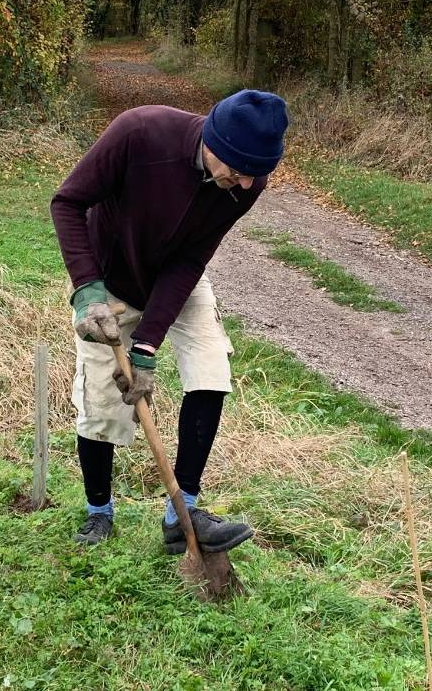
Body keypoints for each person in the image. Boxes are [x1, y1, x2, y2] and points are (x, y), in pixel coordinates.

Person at [51, 89, 289, 550]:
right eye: (237, 172)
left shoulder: (246, 182)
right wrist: (88, 291)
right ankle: (99, 511)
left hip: (178, 284)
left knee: (211, 370)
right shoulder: (139, 132)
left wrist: (146, 346)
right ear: (213, 141)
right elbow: (67, 203)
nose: (244, 186)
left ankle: (182, 515)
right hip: (107, 285)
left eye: (254, 177)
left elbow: (190, 261)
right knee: (103, 403)